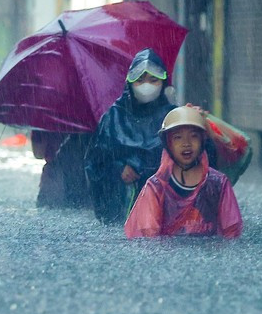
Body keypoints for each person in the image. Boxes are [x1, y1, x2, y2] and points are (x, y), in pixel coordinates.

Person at [85, 48, 177, 223]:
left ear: (162, 83)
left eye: (153, 80)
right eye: (140, 80)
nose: (146, 86)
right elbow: (94, 163)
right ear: (130, 83)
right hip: (121, 207)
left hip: (162, 208)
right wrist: (118, 169)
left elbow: (190, 161)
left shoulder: (174, 117)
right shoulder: (113, 117)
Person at [125, 106, 242, 239]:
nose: (186, 143)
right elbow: (149, 237)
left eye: (193, 136)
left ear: (203, 140)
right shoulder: (156, 187)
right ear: (168, 143)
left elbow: (232, 232)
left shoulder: (219, 183)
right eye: (178, 137)